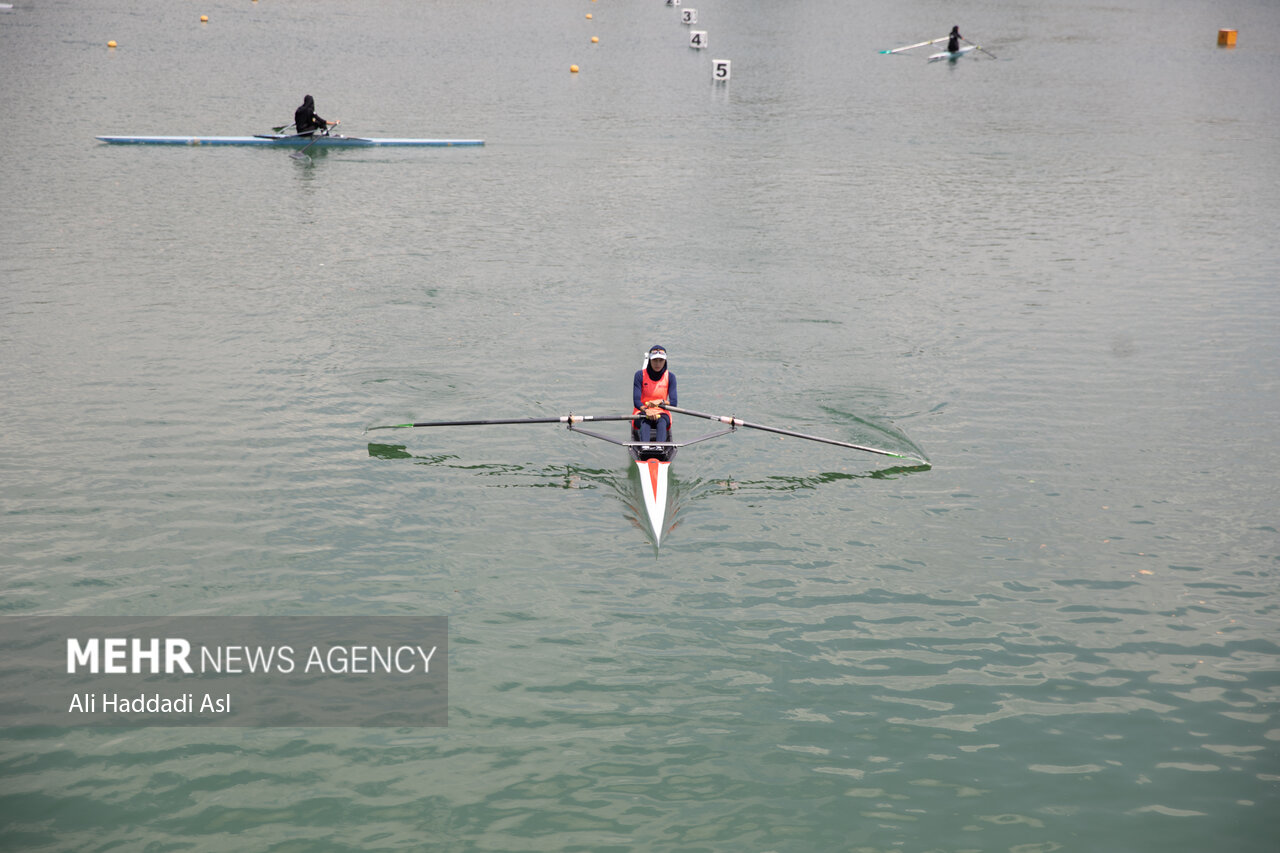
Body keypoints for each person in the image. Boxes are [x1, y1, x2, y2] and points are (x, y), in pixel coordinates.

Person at [633, 345, 677, 447]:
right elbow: (636, 401)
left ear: (665, 361)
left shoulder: (671, 377)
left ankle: (659, 448)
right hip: (642, 411)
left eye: (660, 360)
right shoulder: (639, 375)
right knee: (645, 422)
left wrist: (661, 401)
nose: (658, 364)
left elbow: (674, 403)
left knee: (661, 422)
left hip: (661, 412)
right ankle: (644, 447)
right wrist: (646, 410)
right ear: (649, 361)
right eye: (655, 360)